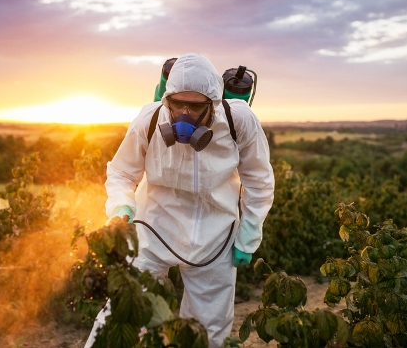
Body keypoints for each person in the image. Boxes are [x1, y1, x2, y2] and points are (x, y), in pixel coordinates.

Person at [87, 52, 274, 348]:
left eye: (195, 106)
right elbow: (122, 172)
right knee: (125, 312)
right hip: (154, 228)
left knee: (207, 330)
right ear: (166, 99)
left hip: (216, 236)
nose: (184, 114)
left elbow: (259, 181)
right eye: (176, 104)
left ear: (214, 103)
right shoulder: (149, 119)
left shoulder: (239, 121)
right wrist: (121, 206)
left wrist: (249, 235)